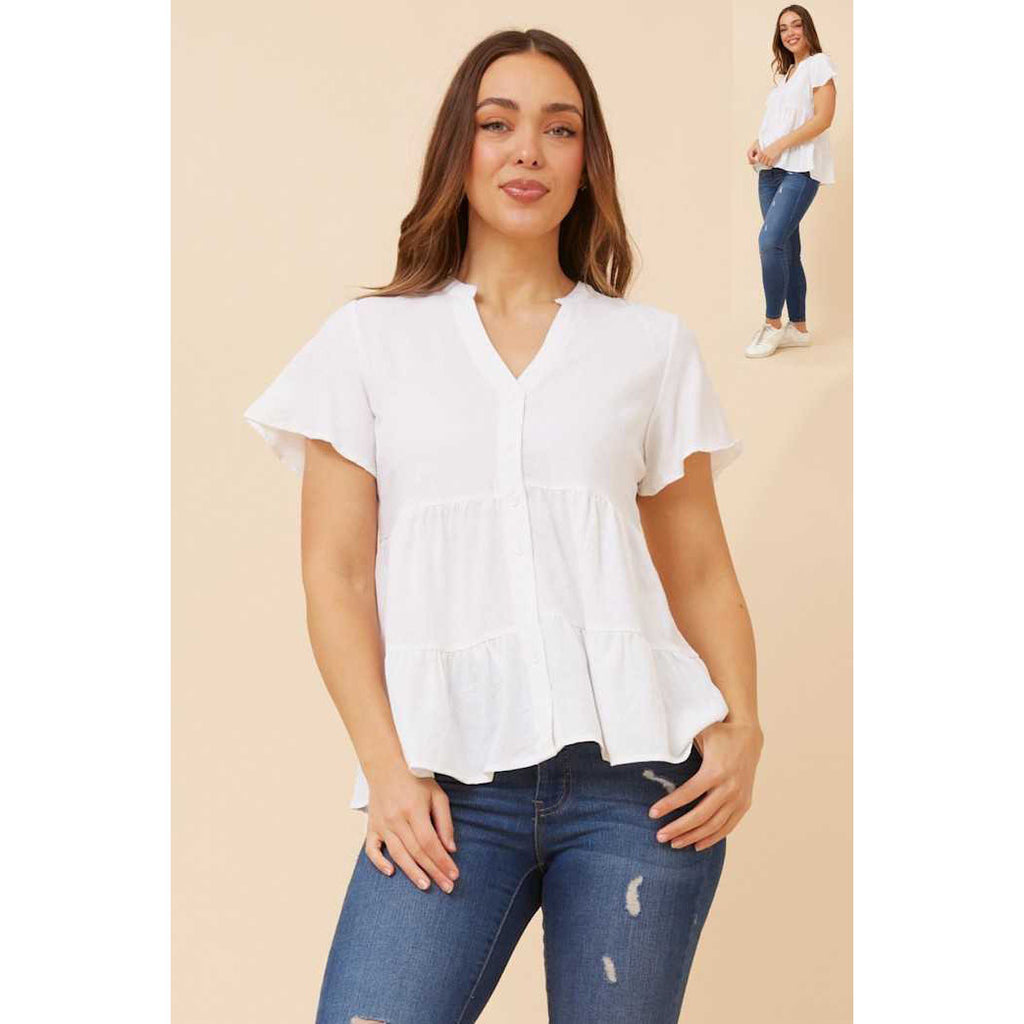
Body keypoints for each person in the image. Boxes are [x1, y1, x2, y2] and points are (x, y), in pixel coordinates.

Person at [243, 27, 763, 1024]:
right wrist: (385, 769)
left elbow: (699, 568)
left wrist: (742, 726)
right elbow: (335, 577)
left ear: (587, 162)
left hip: (642, 787)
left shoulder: (648, 348)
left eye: (559, 129)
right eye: (498, 124)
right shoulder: (368, 342)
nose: (528, 150)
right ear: (459, 148)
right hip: (447, 785)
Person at [745, 5, 838, 358]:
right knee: (786, 248)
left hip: (799, 169)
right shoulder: (785, 77)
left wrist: (779, 145)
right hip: (768, 171)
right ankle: (798, 329)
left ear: (807, 28)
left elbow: (824, 119)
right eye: (783, 28)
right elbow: (778, 123)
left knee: (769, 241)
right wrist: (758, 143)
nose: (790, 33)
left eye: (796, 25)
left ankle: (772, 325)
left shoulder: (818, 65)